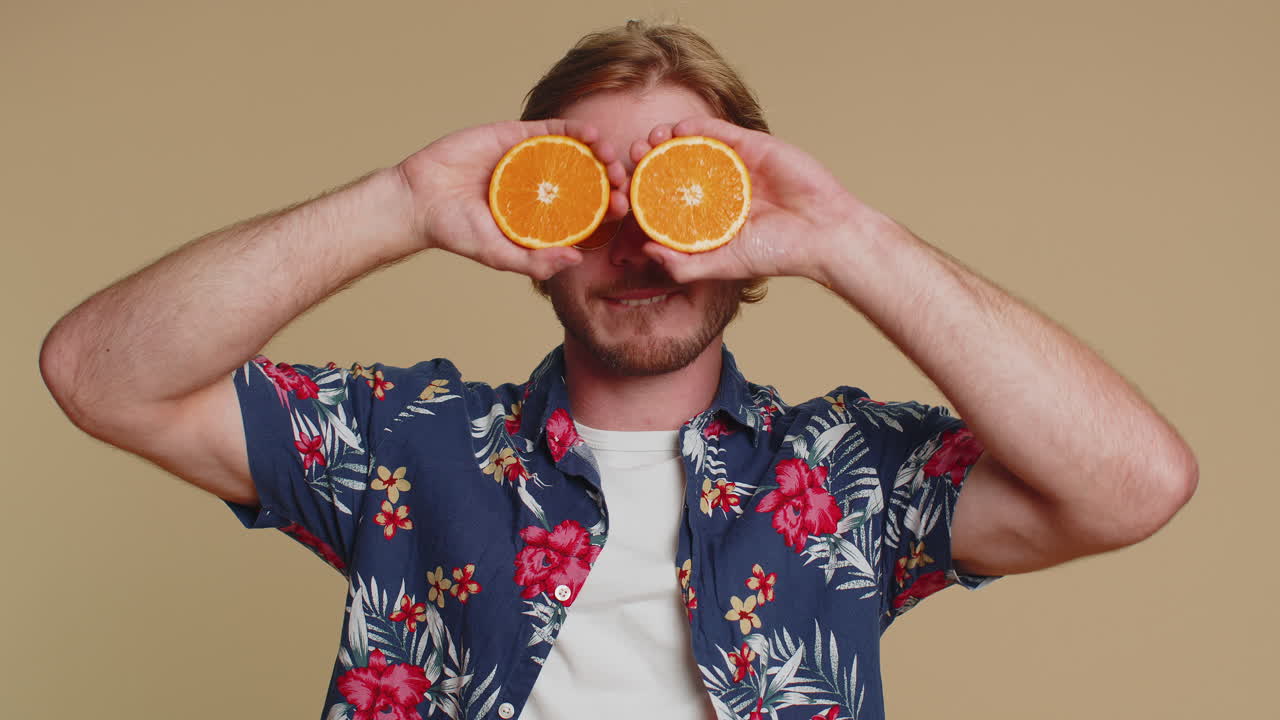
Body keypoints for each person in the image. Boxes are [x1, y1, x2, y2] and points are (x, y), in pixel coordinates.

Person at [40, 20, 1196, 720]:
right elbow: (101, 372)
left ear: (743, 226)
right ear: (528, 228)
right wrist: (398, 204)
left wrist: (851, 239)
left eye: (678, 195)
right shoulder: (408, 442)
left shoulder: (846, 478)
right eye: (593, 198)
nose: (639, 243)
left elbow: (1132, 483)